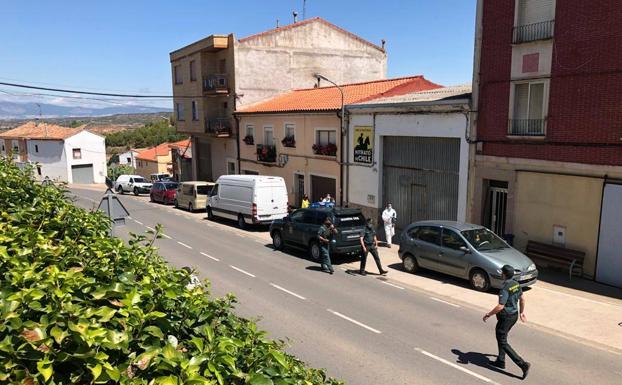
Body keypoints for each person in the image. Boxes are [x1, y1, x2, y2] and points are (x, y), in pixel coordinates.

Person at [483, 265, 531, 379]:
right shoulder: (516, 284)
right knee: (501, 336)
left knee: (502, 340)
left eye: (501, 272)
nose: (501, 274)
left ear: (504, 274)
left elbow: (500, 306)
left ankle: (523, 364)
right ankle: (500, 360)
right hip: (513, 316)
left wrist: (488, 314)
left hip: (506, 316)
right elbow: (523, 299)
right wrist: (521, 312)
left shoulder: (504, 287)